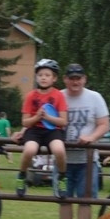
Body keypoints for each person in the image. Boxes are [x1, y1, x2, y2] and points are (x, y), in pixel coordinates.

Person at [59, 63, 110, 219]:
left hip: (87, 160)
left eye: (78, 78)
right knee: (64, 199)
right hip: (62, 160)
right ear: (65, 79)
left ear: (84, 79)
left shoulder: (95, 97)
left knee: (85, 200)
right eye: (72, 78)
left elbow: (104, 124)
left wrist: (92, 137)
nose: (75, 82)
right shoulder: (57, 96)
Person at [15, 58, 68, 198]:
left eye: (47, 75)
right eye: (40, 75)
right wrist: (38, 117)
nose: (43, 78)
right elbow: (25, 122)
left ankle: (62, 178)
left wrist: (48, 118)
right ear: (36, 77)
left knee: (59, 150)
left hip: (53, 129)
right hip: (34, 129)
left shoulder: (59, 96)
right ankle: (22, 175)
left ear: (54, 78)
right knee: (29, 150)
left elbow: (63, 121)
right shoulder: (30, 96)